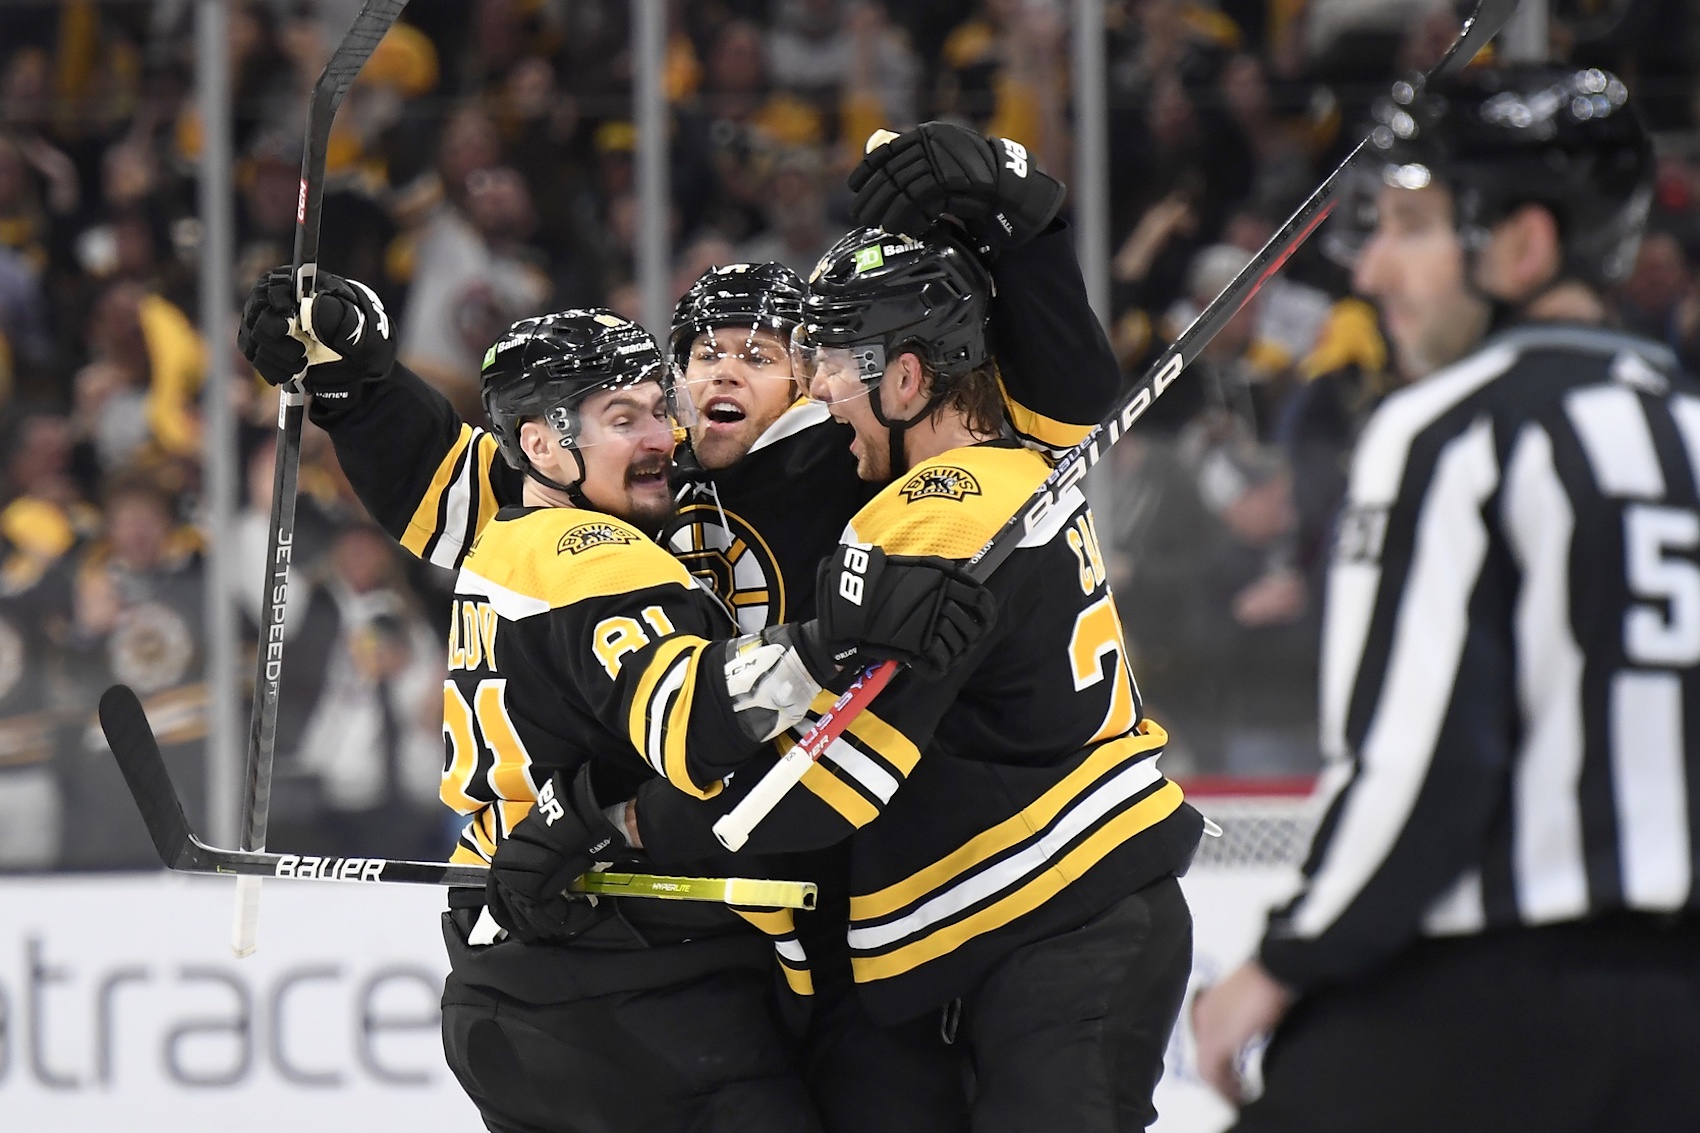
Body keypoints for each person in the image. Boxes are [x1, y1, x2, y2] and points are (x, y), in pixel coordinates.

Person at [240, 119, 1122, 1133]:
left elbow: (1059, 415)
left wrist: (1024, 224)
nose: (720, 375)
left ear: (816, 376)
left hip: (858, 905)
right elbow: (460, 484)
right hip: (697, 922)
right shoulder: (647, 484)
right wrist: (357, 386)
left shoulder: (858, 463)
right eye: (701, 351)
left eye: (759, 353)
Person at [1190, 63, 1700, 1132]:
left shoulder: (1447, 430)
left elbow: (1424, 759)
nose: (1370, 268)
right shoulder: (1686, 434)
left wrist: (1282, 961)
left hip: (1489, 1007)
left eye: (1412, 226)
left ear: (1521, 245)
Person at [635, 220, 1205, 1133]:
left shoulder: (919, 519)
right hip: (1044, 918)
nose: (818, 392)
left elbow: (823, 782)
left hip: (1056, 911)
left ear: (905, 379)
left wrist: (617, 823)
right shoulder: (1023, 463)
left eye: (828, 367)